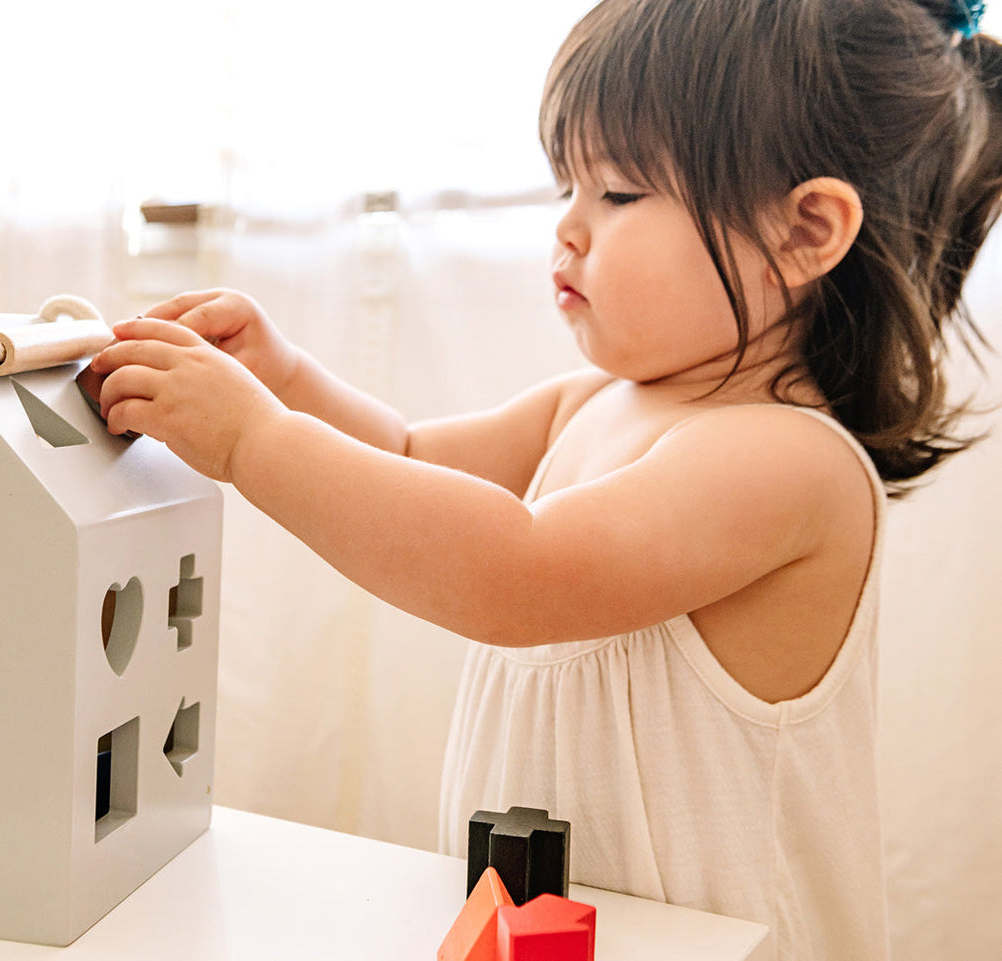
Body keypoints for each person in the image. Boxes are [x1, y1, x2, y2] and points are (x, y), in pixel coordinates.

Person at [89, 0, 1002, 957]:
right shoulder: (593, 401)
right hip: (553, 928)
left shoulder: (785, 460)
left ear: (802, 231)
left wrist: (253, 442)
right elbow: (404, 458)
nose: (567, 226)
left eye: (617, 193)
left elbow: (512, 573)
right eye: (568, 184)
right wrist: (286, 379)